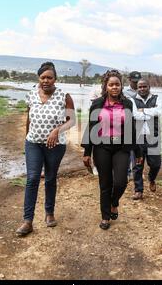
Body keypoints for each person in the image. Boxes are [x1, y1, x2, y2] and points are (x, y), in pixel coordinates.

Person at [16, 62, 75, 237]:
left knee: (50, 178)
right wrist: (27, 138)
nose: (46, 81)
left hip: (55, 146)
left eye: (49, 77)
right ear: (38, 79)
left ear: (55, 79)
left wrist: (57, 130)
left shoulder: (64, 96)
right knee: (32, 178)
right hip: (33, 143)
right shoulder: (31, 94)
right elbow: (29, 118)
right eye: (43, 78)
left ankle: (49, 214)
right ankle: (28, 221)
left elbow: (72, 121)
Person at [82, 70, 143, 230]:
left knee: (121, 181)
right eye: (111, 85)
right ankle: (105, 216)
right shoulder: (97, 104)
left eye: (117, 84)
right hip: (101, 147)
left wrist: (138, 152)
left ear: (121, 86)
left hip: (122, 148)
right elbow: (90, 128)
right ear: (106, 86)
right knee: (105, 183)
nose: (114, 87)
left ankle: (114, 202)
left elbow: (132, 129)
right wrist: (87, 152)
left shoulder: (128, 104)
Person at [130, 79, 162, 200]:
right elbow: (135, 115)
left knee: (156, 164)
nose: (142, 89)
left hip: (153, 136)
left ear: (149, 86)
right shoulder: (132, 100)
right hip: (138, 137)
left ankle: (151, 178)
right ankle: (138, 190)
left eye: (144, 86)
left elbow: (159, 112)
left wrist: (143, 110)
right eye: (140, 87)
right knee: (138, 165)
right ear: (137, 88)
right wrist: (150, 112)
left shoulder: (156, 98)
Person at [123, 71, 142, 179]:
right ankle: (127, 171)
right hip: (129, 122)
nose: (136, 84)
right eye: (134, 82)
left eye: (137, 81)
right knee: (129, 147)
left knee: (138, 147)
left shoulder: (143, 90)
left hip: (140, 122)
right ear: (129, 80)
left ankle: (137, 171)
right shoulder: (124, 92)